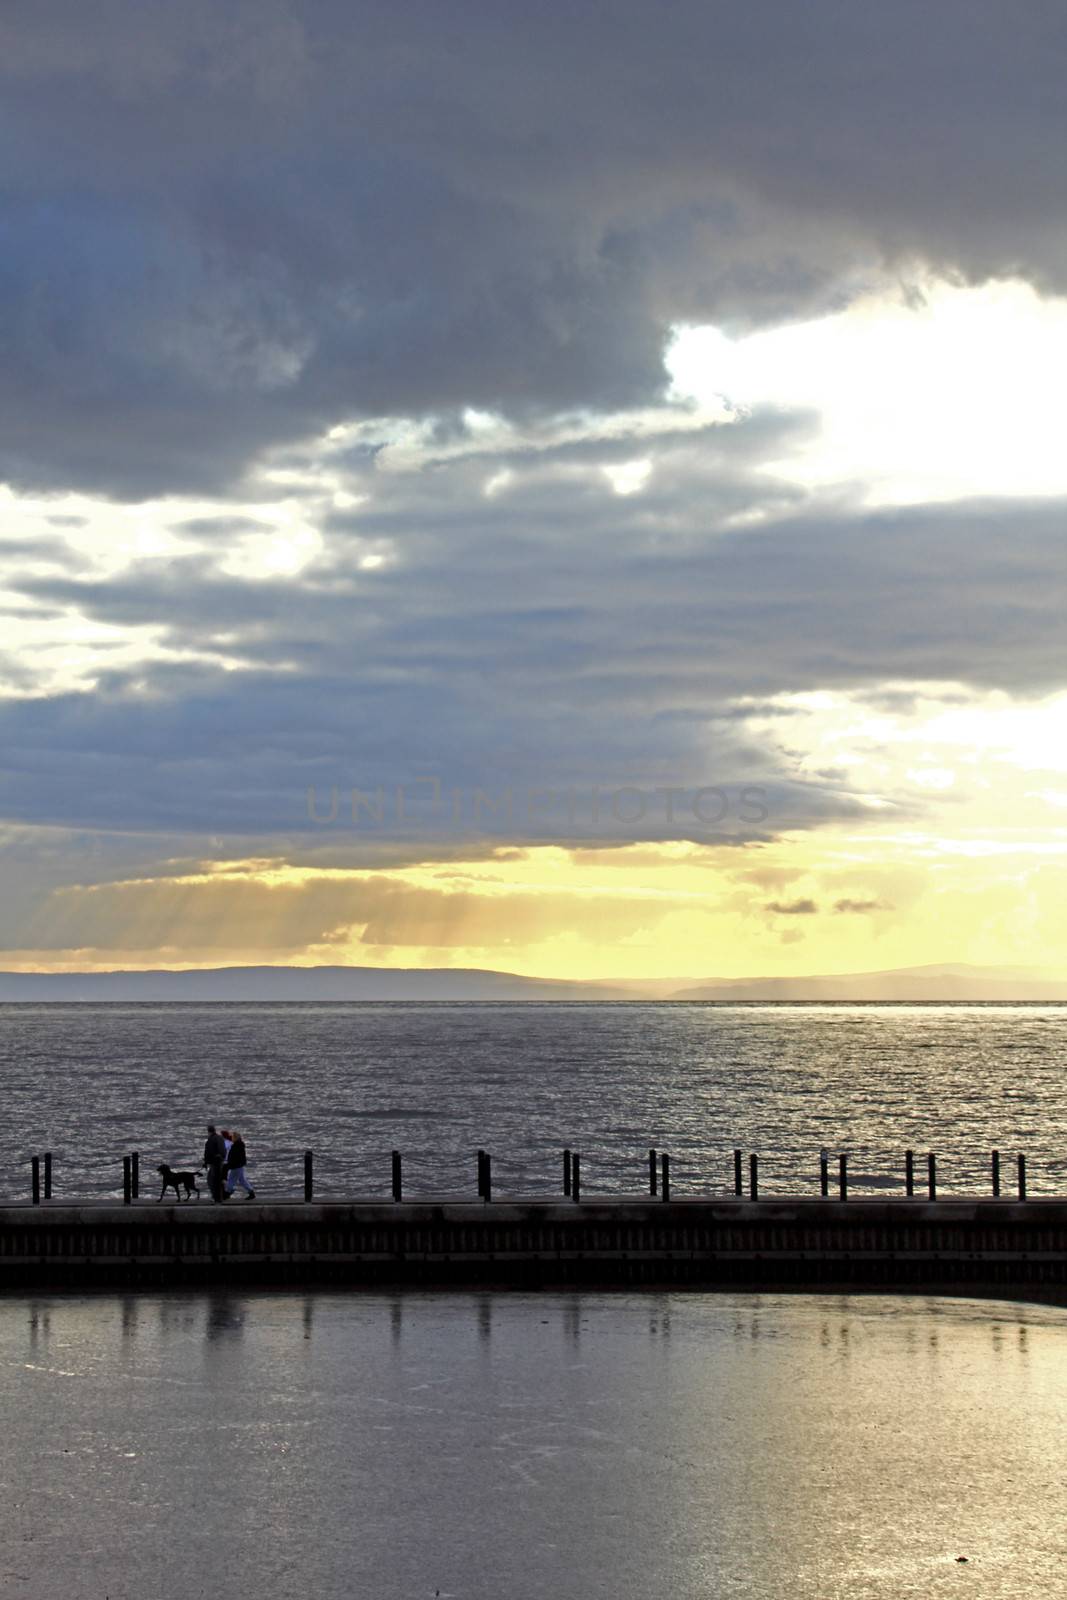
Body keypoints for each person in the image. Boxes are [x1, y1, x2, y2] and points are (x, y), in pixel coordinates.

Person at [225, 1131, 255, 1199]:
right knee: (242, 1180)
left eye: (232, 1137)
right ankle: (251, 1192)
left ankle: (228, 1193)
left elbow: (234, 1157)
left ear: (235, 1138)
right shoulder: (240, 1145)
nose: (231, 1138)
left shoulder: (236, 1146)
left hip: (236, 1166)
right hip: (239, 1165)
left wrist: (229, 1164)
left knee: (231, 1180)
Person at [203, 1124, 227, 1202]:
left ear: (209, 1131)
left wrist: (206, 1162)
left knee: (211, 1180)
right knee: (218, 1180)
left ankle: (215, 1197)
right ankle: (220, 1197)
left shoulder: (210, 1140)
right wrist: (222, 1158)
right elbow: (223, 1150)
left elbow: (208, 1152)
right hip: (220, 1162)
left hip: (214, 1162)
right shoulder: (220, 1138)